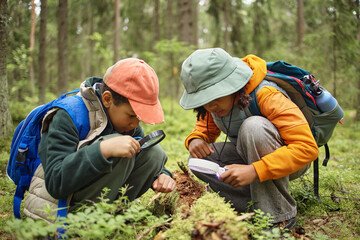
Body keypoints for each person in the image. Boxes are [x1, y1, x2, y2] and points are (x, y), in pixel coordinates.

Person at [179, 48, 319, 231]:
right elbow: (205, 128)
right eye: (204, 99)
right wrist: (196, 139)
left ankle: (279, 216)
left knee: (253, 127)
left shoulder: (267, 95)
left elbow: (307, 148)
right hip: (248, 156)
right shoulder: (215, 106)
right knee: (198, 160)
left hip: (290, 161)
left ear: (232, 84)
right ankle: (256, 205)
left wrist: (255, 170)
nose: (210, 105)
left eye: (214, 95)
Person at [24, 58, 176, 222]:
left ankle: (114, 218)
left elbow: (144, 155)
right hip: (58, 209)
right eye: (132, 115)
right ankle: (83, 225)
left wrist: (162, 174)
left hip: (95, 201)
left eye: (140, 118)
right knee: (118, 147)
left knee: (154, 153)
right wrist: (103, 150)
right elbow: (56, 183)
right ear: (107, 99)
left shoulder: (127, 124)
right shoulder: (68, 116)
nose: (135, 123)